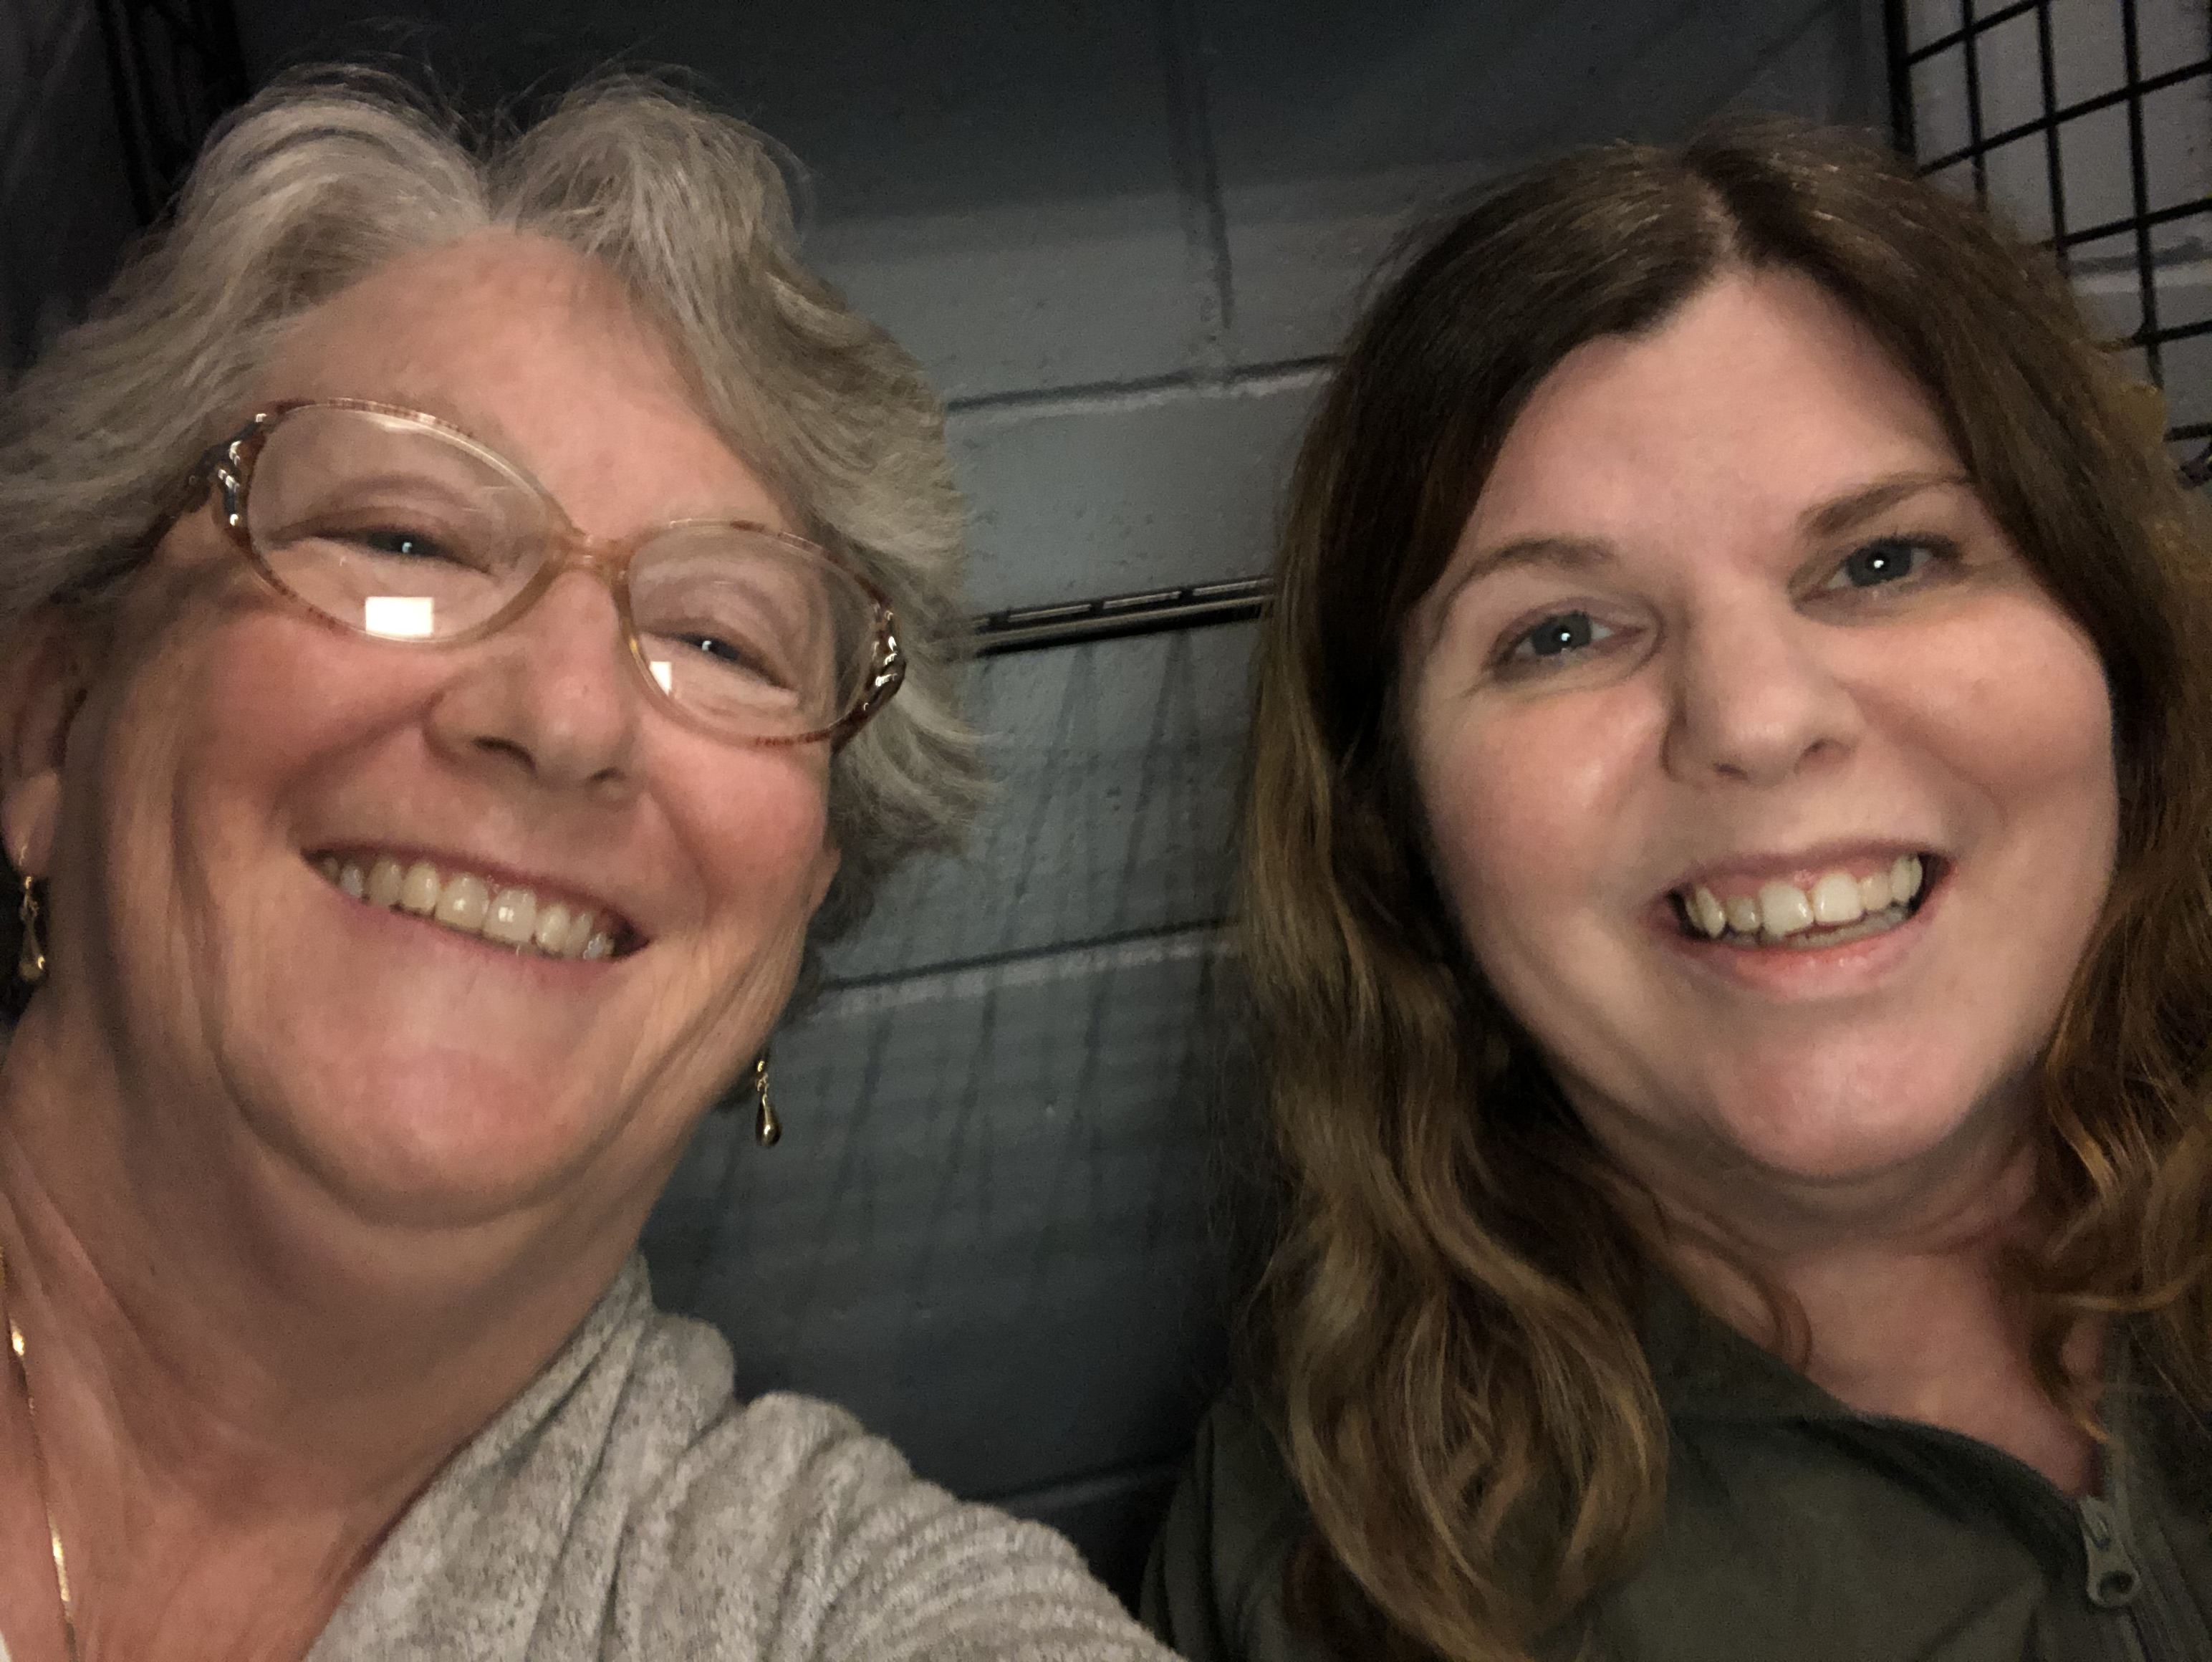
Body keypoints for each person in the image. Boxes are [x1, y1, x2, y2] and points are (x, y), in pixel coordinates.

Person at [0, 72, 1175, 1662]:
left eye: (723, 641)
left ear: (792, 924)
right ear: (54, 728)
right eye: (403, 538)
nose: (565, 717)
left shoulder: (828, 1601)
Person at [1144, 119, 2212, 1662]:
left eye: (1886, 560)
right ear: (1395, 820)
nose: (1756, 720)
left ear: (2118, 656)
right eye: (1561, 632)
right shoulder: (1324, 1566)